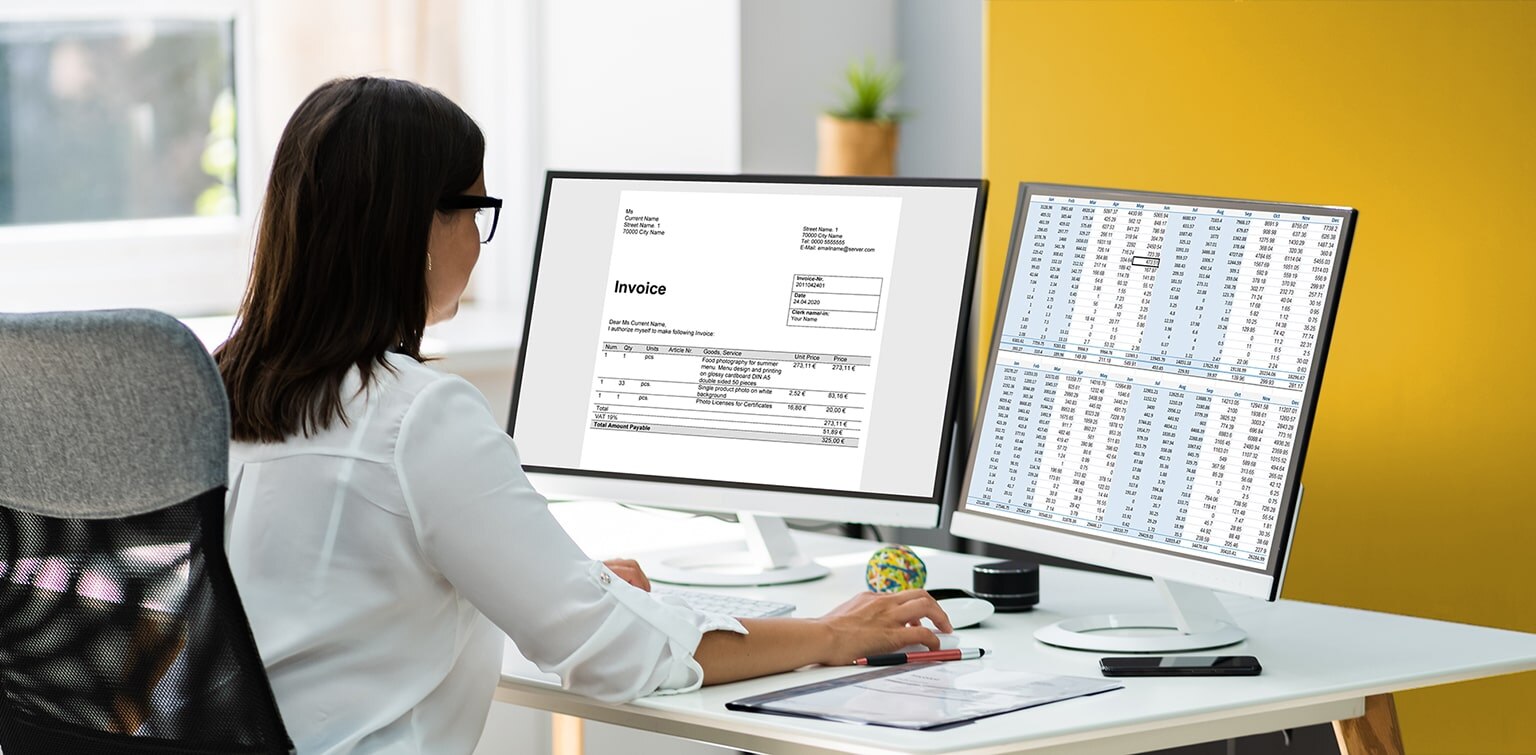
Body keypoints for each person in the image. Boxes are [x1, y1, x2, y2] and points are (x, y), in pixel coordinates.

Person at [213, 76, 950, 754]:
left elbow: (337, 594)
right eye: (475, 208)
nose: (477, 238)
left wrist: (557, 578)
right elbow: (613, 655)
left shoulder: (216, 392)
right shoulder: (418, 416)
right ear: (413, 227)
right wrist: (827, 633)